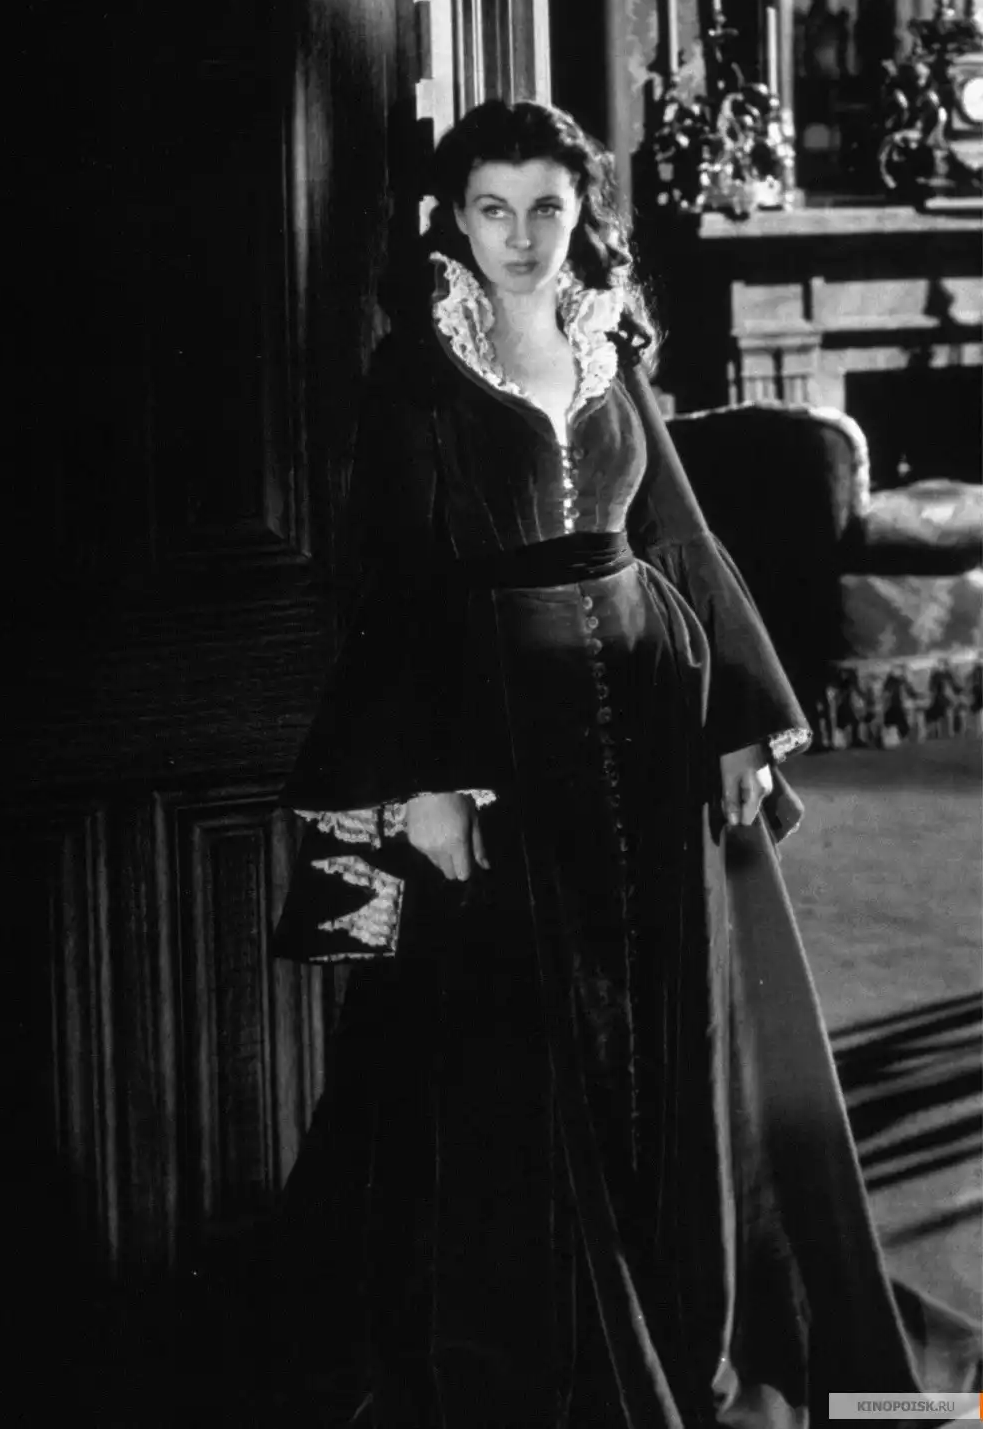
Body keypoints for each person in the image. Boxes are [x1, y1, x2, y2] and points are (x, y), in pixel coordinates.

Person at [272, 100, 979, 1427]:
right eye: (494, 209)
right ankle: (564, 1357)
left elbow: (676, 532)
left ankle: (691, 1303)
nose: (523, 237)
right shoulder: (416, 373)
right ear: (454, 220)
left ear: (578, 214)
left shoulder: (608, 342)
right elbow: (392, 585)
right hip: (500, 741)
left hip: (654, 723)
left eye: (547, 207)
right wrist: (423, 783)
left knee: (676, 1026)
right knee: (522, 1049)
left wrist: (740, 722)